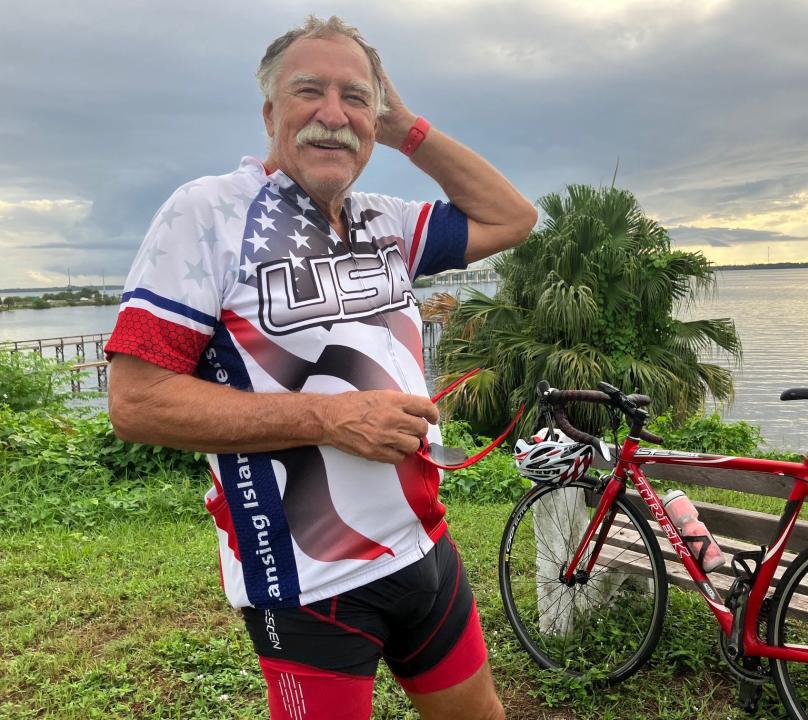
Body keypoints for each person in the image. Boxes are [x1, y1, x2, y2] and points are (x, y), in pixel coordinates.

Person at [106, 16, 536, 720]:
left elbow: (513, 218)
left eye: (356, 98)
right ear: (271, 112)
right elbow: (136, 401)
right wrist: (329, 418)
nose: (334, 115)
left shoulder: (384, 220)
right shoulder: (210, 212)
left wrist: (404, 129)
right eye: (311, 92)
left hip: (425, 548)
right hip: (309, 581)